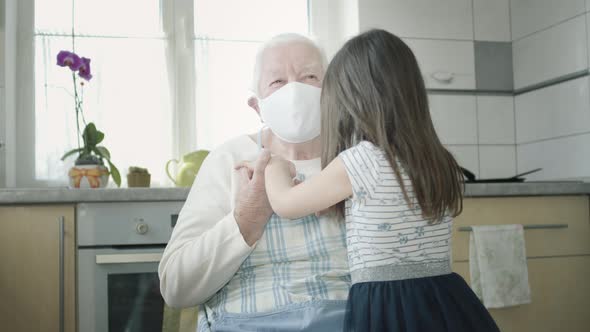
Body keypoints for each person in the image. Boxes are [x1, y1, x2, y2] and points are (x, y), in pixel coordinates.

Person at [244, 29, 500, 331]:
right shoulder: (437, 158)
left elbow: (286, 204)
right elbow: (389, 206)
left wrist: (273, 165)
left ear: (353, 99)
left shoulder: (359, 161)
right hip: (445, 298)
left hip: (388, 306)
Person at [158, 34, 351, 332]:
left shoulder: (358, 160)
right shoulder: (230, 158)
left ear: (333, 92)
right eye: (277, 82)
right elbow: (176, 286)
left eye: (309, 76)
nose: (295, 90)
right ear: (257, 105)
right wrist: (247, 218)